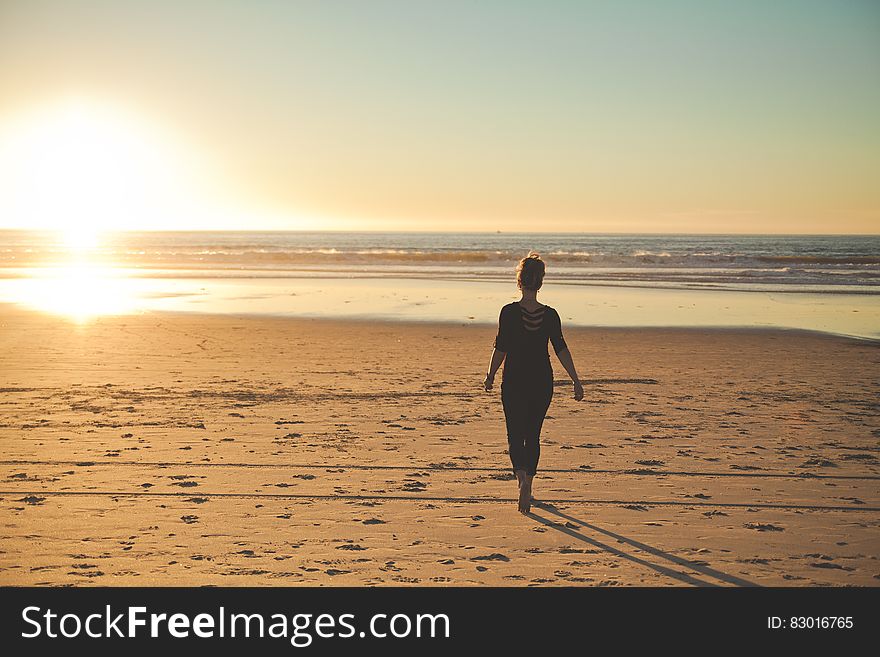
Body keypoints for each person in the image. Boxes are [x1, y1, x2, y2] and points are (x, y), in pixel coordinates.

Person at [483, 252, 583, 513]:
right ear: (540, 282)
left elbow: (501, 348)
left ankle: (521, 481)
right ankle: (530, 482)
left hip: (514, 380)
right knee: (534, 435)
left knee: (515, 435)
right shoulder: (551, 315)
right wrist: (576, 380)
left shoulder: (508, 312)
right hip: (542, 381)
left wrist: (490, 375)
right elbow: (561, 349)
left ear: (520, 281)